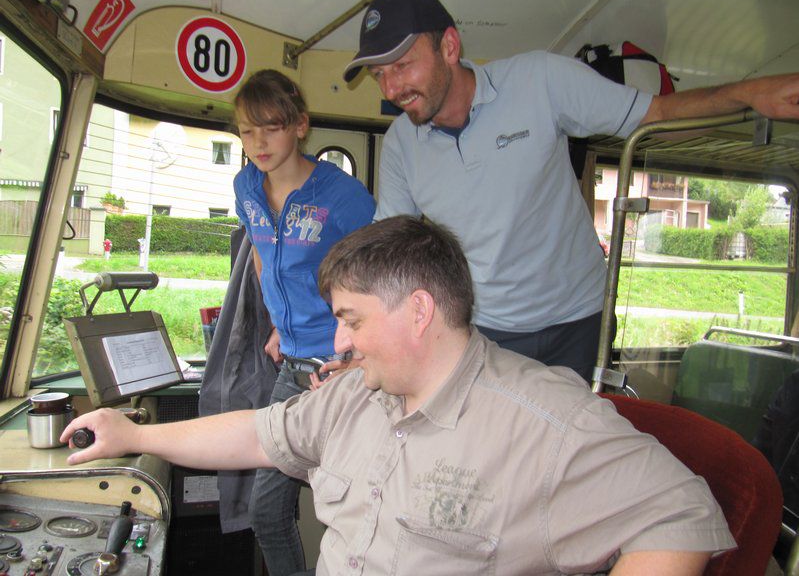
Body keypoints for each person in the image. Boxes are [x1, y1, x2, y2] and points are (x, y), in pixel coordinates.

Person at [63, 216, 736, 575]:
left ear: (417, 311)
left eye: (351, 319)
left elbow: (678, 515)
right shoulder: (355, 394)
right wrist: (134, 438)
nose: (339, 341)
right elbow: (255, 435)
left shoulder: (543, 422)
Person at [342, 0, 799, 382]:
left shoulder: (539, 79)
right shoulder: (402, 142)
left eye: (401, 65)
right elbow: (392, 250)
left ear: (449, 47)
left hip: (581, 320)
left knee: (571, 463)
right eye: (379, 74)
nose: (390, 88)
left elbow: (654, 116)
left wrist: (745, 94)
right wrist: (361, 341)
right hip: (486, 332)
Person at [231, 69, 375, 575]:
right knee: (265, 512)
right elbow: (264, 260)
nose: (258, 143)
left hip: (341, 369)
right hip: (291, 369)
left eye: (270, 127)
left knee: (353, 507)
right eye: (247, 131)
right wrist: (277, 323)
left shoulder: (343, 195)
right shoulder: (246, 186)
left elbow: (376, 279)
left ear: (299, 126)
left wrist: (359, 355)